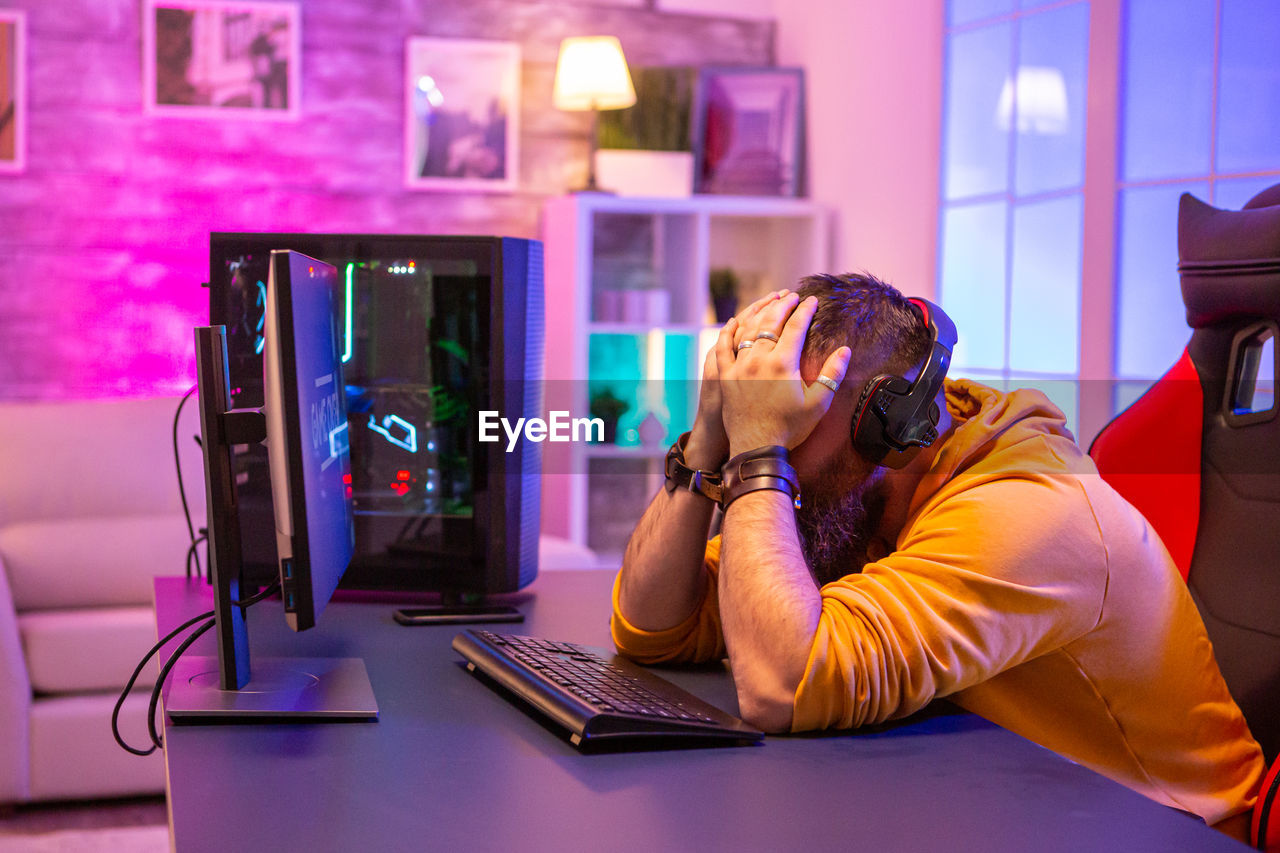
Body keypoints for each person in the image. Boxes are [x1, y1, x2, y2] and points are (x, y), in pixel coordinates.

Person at [611, 272, 1265, 837]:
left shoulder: (1027, 510)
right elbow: (654, 626)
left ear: (888, 425)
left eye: (791, 424)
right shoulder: (848, 498)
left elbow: (783, 683)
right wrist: (707, 439)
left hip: (1163, 829)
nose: (770, 456)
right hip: (1003, 800)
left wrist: (760, 452)